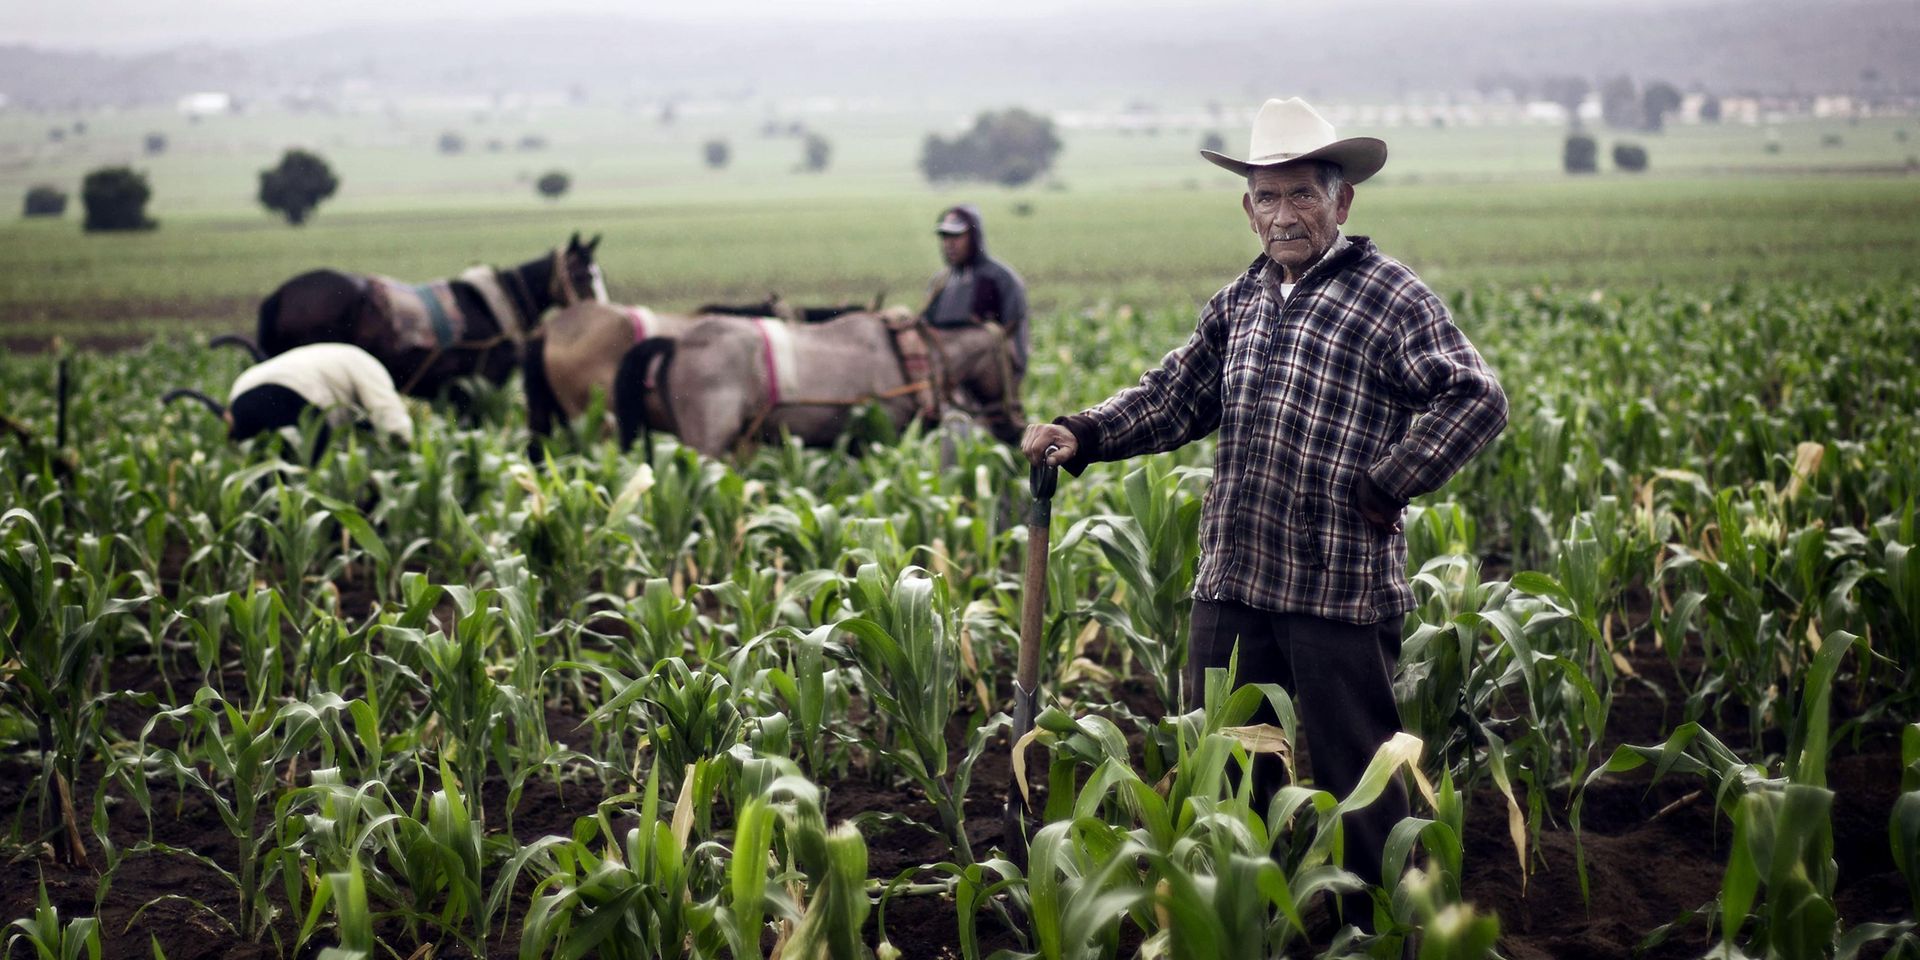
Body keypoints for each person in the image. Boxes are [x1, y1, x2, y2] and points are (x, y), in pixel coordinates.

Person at [1019, 97, 1508, 932]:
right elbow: (1176, 396)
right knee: (1234, 770)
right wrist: (1084, 431)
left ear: (1342, 200)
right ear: (1248, 208)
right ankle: (1255, 924)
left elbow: (1476, 396)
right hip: (1236, 579)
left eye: (1302, 196)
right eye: (1267, 198)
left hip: (1338, 585)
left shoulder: (1388, 295)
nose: (1284, 216)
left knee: (1363, 777)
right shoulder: (1243, 298)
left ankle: (1384, 932)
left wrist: (1387, 483)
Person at [164, 342, 414, 453]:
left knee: (266, 472)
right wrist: (404, 445)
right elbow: (386, 411)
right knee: (313, 469)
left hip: (244, 394)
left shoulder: (328, 353)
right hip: (298, 396)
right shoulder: (368, 364)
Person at [923, 204, 1030, 377]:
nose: (949, 243)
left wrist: (1012, 384)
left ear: (974, 237)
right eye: (945, 236)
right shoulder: (939, 283)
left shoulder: (1002, 279)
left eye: (956, 236)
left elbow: (1016, 342)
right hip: (945, 383)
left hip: (989, 387)